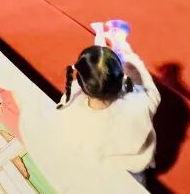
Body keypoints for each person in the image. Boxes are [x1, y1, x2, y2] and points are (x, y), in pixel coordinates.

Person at [54, 44, 160, 180]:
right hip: (129, 174)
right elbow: (153, 94)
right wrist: (133, 60)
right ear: (121, 79)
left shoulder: (70, 104)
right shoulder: (137, 104)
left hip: (95, 171)